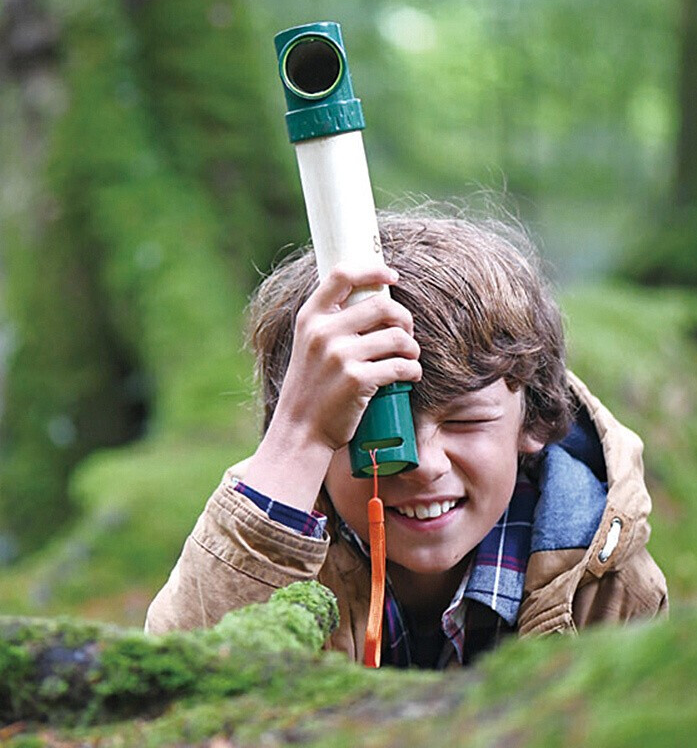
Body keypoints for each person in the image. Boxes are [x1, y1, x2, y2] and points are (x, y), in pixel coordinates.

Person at [145, 207, 668, 668]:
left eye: (464, 421)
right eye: (366, 424)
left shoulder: (608, 590)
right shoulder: (273, 552)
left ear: (533, 420)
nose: (421, 463)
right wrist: (297, 436)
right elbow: (177, 698)